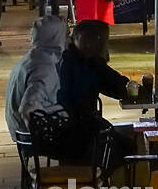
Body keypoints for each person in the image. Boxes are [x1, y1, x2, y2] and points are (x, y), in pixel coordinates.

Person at [56, 19, 139, 167]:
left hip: (70, 128)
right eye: (86, 40)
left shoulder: (80, 60)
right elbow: (115, 85)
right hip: (79, 130)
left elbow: (115, 84)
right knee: (126, 145)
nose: (89, 45)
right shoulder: (81, 64)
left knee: (124, 140)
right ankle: (99, 178)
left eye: (93, 41)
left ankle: (97, 178)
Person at [4, 13, 67, 140]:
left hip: (18, 128)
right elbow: (29, 107)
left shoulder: (31, 58)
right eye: (65, 34)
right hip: (29, 133)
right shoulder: (44, 66)